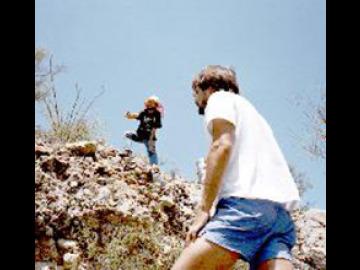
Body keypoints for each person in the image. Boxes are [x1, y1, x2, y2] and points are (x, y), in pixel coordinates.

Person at [172, 66, 300, 270]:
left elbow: (221, 145)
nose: (195, 100)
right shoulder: (253, 114)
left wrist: (204, 210)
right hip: (280, 218)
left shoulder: (219, 99)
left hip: (245, 210)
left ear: (207, 87)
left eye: (195, 93)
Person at [124, 95, 163, 165]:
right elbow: (137, 115)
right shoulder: (144, 112)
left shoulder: (157, 114)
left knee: (151, 152)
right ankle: (127, 151)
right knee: (127, 134)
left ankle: (154, 167)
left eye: (152, 102)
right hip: (140, 135)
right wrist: (129, 115)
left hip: (149, 138)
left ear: (155, 104)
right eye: (149, 102)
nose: (150, 104)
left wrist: (152, 125)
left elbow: (158, 125)